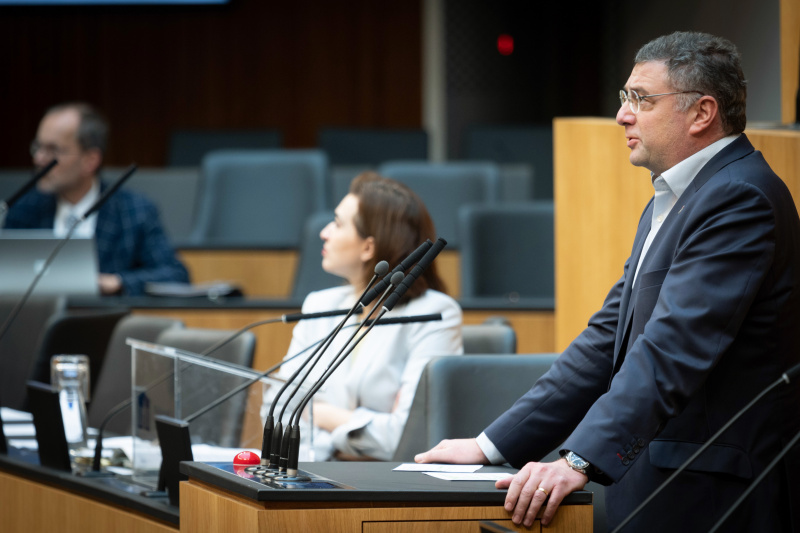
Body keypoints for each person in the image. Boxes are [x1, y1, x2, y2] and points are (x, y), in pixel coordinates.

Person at [415, 31, 800, 532]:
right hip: (669, 487)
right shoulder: (680, 196)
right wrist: (491, 445)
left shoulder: (739, 198)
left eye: (641, 99)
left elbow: (671, 349)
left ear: (702, 113)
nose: (622, 115)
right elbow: (607, 340)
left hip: (713, 498)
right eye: (625, 97)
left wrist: (579, 459)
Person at [265, 172, 463, 462]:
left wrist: (316, 413)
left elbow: (406, 438)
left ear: (368, 247)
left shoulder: (434, 314)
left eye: (337, 223)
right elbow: (275, 409)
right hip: (313, 473)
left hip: (385, 482)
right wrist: (347, 439)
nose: (324, 233)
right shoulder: (320, 305)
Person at [4, 102, 189, 295]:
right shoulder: (23, 210)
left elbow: (175, 276)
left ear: (90, 160)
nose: (39, 159)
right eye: (38, 147)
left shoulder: (134, 211)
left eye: (53, 150)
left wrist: (117, 282)